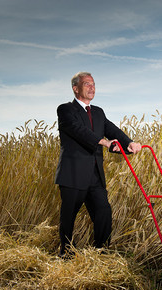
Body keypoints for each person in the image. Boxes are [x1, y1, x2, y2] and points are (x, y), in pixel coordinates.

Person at [55, 71, 141, 258]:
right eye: (87, 84)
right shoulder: (65, 110)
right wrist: (103, 142)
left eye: (93, 84)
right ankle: (67, 253)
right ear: (75, 88)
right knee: (69, 216)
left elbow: (112, 130)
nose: (92, 87)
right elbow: (78, 131)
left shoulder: (98, 112)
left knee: (103, 210)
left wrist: (129, 143)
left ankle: (101, 254)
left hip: (95, 175)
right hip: (73, 174)